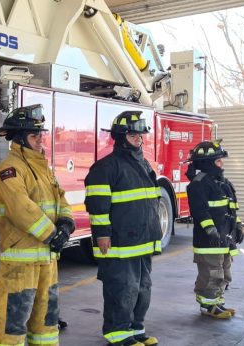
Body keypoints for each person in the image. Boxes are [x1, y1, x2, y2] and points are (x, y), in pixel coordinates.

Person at [0, 104, 74, 346]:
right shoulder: (9, 169)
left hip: (47, 261)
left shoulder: (43, 168)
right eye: (34, 135)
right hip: (20, 263)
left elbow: (60, 198)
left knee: (46, 324)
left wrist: (66, 224)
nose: (40, 140)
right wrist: (53, 235)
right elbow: (21, 209)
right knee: (13, 327)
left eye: (41, 134)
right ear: (19, 138)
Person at [84, 111, 161, 346]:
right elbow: (97, 207)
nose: (140, 138)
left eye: (141, 134)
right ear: (120, 136)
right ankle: (119, 335)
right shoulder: (105, 167)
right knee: (122, 289)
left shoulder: (143, 163)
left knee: (142, 289)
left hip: (142, 241)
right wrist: (102, 235)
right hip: (119, 242)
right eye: (133, 134)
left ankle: (136, 329)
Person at [185, 140, 243, 319]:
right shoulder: (198, 184)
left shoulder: (223, 182)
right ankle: (207, 306)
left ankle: (217, 302)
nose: (222, 164)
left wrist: (238, 226)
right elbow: (200, 210)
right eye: (218, 161)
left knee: (224, 272)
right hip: (209, 240)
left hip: (225, 239)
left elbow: (232, 209)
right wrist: (210, 230)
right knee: (211, 274)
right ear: (208, 163)